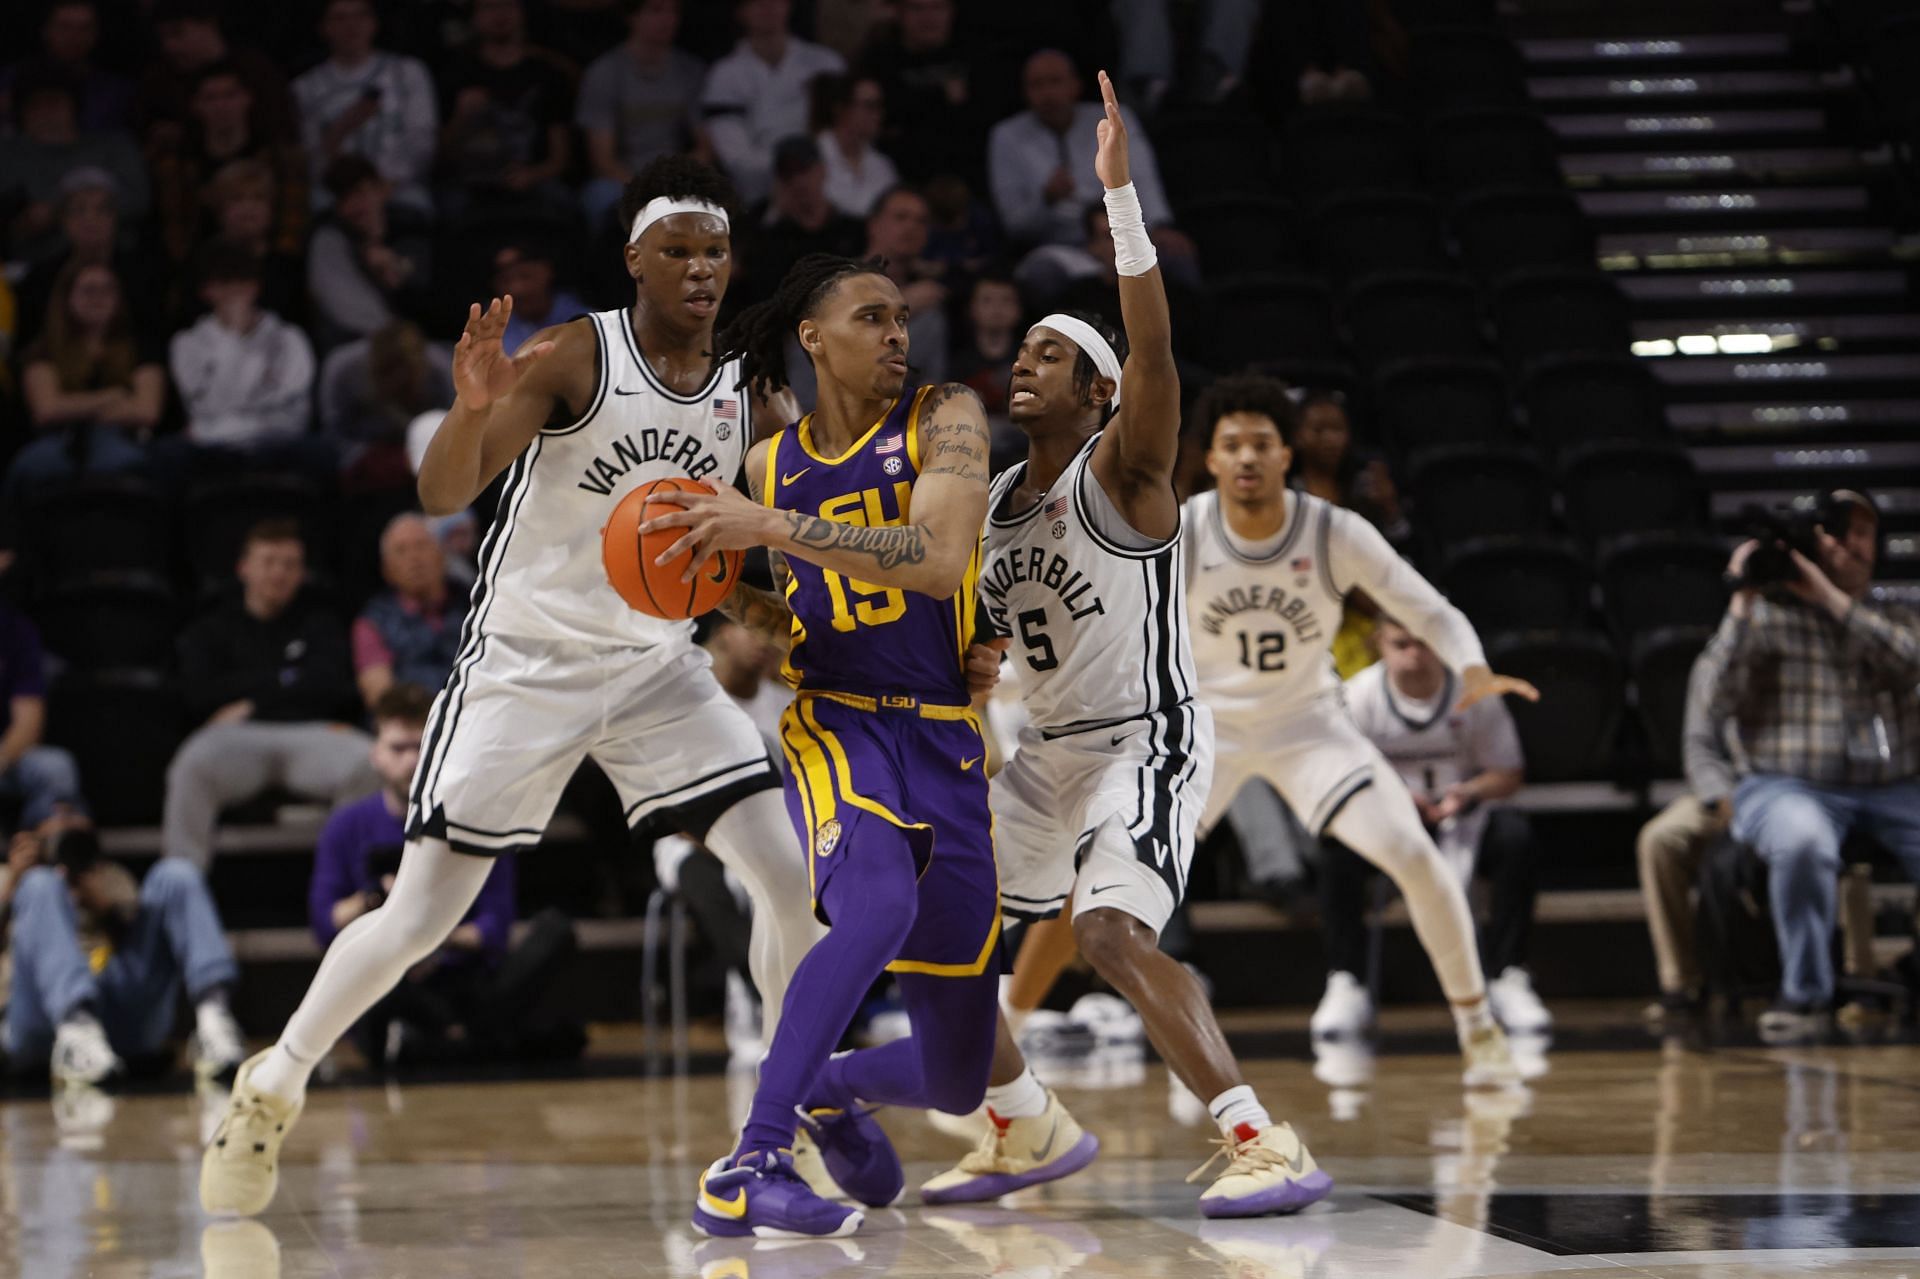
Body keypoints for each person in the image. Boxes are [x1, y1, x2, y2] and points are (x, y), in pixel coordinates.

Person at [199, 156, 824, 1220]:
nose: (700, 269)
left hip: (656, 666)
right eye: (676, 250)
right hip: (526, 664)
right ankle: (276, 1079)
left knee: (787, 878)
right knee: (418, 916)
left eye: (715, 251)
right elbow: (445, 489)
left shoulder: (749, 383)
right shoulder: (578, 353)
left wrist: (778, 614)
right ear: (634, 260)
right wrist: (469, 404)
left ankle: (780, 1127)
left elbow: (764, 541)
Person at [919, 72, 1329, 1219]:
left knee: (1103, 929)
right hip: (1045, 753)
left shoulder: (1128, 469)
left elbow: (1154, 348)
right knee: (926, 919)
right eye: (1025, 353)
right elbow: (982, 642)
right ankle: (1017, 1126)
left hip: (1145, 746)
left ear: (1098, 394)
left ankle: (1264, 1138)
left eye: (1051, 356)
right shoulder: (995, 502)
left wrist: (1120, 203)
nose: (1024, 365)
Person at [636, 245, 999, 1238]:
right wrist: (710, 582)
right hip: (838, 723)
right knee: (875, 904)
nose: (896, 334)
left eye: (901, 318)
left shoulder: (945, 416)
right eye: (872, 318)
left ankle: (831, 1085)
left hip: (947, 740)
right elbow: (790, 612)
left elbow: (933, 559)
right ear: (812, 339)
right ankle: (751, 1157)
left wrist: (768, 526)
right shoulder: (768, 462)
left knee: (963, 1077)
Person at [1178, 374, 1536, 1086]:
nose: (1247, 457)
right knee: (1122, 880)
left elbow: (1427, 608)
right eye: (1231, 445)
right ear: (1211, 459)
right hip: (1208, 728)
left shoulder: (1332, 528)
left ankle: (1478, 1027)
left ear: (1288, 454)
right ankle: (1056, 1030)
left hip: (1309, 724)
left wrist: (1471, 664)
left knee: (1413, 853)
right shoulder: (1183, 529)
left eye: (1261, 443)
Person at [1698, 489, 1920, 1042]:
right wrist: (1741, 596)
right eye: (1835, 531)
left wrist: (1828, 598)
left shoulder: (1895, 617)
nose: (1849, 543)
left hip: (1892, 787)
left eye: (1862, 531)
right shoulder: (1768, 615)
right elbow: (1716, 700)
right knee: (1802, 843)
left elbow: (1909, 662)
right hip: (1787, 785)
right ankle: (1806, 996)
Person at [310, 684, 581, 1067]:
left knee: (555, 932)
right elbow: (324, 924)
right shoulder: (345, 826)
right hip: (390, 977)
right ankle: (471, 1040)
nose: (410, 760)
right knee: (365, 975)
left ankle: (443, 1038)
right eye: (398, 748)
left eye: (420, 746)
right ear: (376, 755)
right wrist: (376, 903)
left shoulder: (476, 821)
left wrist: (431, 935)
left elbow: (495, 928)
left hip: (461, 976)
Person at [1333, 617, 1548, 1036]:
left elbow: (1508, 772)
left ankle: (1508, 975)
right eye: (1401, 643)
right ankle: (1347, 981)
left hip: (1461, 816)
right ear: (1380, 643)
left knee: (1516, 839)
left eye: (1423, 643)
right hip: (1388, 820)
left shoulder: (1473, 692)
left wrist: (1468, 792)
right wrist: (1392, 799)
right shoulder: (1358, 697)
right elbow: (1339, 773)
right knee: (1335, 848)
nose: (1414, 653)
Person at [165, 520, 376, 872]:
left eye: (290, 564)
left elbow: (333, 689)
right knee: (190, 765)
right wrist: (287, 682)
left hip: (311, 734)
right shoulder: (211, 627)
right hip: (235, 740)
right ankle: (182, 890)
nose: (279, 573)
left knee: (371, 762)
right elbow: (197, 695)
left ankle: (344, 889)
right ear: (244, 568)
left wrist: (253, 702)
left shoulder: (320, 623)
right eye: (269, 562)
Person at [1, 811, 246, 1088]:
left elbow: (142, 957)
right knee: (40, 885)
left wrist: (103, 908)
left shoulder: (109, 877)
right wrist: (13, 889)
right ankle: (75, 1028)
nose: (64, 846)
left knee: (176, 873)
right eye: (55, 837)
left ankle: (214, 1019)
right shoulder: (14, 877)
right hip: (35, 1019)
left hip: (114, 1020)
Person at [987, 51, 1180, 254]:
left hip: (1121, 234)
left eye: (1055, 81)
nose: (1047, 94)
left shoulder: (1112, 117)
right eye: (1036, 85)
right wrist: (1046, 199)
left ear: (1075, 85)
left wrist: (1160, 226)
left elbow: (1143, 179)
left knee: (1173, 252)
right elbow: (1014, 225)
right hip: (1058, 247)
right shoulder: (1007, 136)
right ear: (1025, 92)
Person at [163, 239, 324, 480]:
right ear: (207, 291)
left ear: (256, 287)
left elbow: (292, 414)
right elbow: (208, 406)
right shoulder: (187, 344)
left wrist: (218, 426)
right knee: (169, 454)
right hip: (214, 450)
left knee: (320, 451)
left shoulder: (289, 338)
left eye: (243, 282)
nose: (235, 292)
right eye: (225, 284)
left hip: (275, 443)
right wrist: (233, 337)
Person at [1636, 649, 1738, 1022]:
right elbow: (1698, 747)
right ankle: (1680, 983)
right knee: (1660, 839)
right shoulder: (1717, 658)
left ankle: (1856, 975)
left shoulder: (1815, 645)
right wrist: (1721, 797)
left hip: (1791, 787)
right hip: (1722, 792)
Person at [7, 261, 164, 504]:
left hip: (124, 442)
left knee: (128, 460)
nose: (98, 298)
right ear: (67, 297)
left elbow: (146, 411)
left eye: (107, 290)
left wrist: (72, 408)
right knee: (31, 465)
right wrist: (114, 396)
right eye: (89, 290)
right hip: (57, 444)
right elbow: (46, 410)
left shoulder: (142, 349)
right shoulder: (42, 352)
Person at [147, 62, 309, 268]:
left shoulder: (282, 160)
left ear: (247, 98)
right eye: (211, 98)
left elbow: (291, 231)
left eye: (230, 95)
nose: (221, 105)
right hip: (200, 271)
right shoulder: (177, 165)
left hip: (273, 269)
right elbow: (175, 233)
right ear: (196, 104)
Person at [291, 0, 438, 213]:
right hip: (335, 196)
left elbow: (422, 142)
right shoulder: (305, 88)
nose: (352, 25)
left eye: (361, 16)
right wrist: (342, 127)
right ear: (324, 27)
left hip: (399, 191)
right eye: (340, 18)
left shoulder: (407, 72)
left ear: (374, 23)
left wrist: (382, 186)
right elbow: (310, 161)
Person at [576, 0, 708, 231]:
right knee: (599, 197)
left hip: (677, 177)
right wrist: (646, 188)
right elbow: (602, 159)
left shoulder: (691, 70)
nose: (668, 20)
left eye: (673, 11)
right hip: (622, 179)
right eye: (656, 10)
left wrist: (676, 180)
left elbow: (705, 146)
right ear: (632, 17)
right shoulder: (604, 73)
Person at [435, 0, 575, 217]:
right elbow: (440, 155)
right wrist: (461, 118)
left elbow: (560, 158)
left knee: (562, 204)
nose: (500, 14)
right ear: (474, 17)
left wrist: (532, 175)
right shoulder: (455, 73)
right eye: (489, 7)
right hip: (469, 182)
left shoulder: (548, 74)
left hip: (534, 179)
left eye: (508, 5)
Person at [0, 66, 148, 269]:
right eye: (35, 106)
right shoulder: (8, 156)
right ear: (21, 112)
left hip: (116, 262)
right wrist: (21, 225)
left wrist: (64, 209)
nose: (46, 113)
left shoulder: (112, 147)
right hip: (35, 266)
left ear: (74, 106)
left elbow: (138, 200)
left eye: (54, 103)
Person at [700, 0, 845, 204]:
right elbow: (738, 160)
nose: (768, 6)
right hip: (761, 197)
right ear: (741, 11)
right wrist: (796, 170)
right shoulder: (723, 76)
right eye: (756, 2)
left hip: (834, 188)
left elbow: (846, 136)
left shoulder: (826, 64)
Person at [306, 156, 431, 351]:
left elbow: (428, 296)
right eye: (345, 198)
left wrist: (393, 268)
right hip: (359, 349)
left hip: (418, 346)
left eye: (361, 192)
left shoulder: (411, 229)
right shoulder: (331, 240)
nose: (355, 205)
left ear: (381, 190)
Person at [137, 0, 296, 147]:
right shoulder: (159, 83)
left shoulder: (256, 70)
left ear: (209, 24)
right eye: (163, 38)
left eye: (177, 32)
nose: (169, 46)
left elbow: (280, 126)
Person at [353, 514, 471, 709]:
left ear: (442, 556)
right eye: (401, 551)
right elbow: (382, 698)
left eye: (422, 546)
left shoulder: (475, 604)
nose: (414, 558)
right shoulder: (372, 622)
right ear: (386, 570)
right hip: (411, 723)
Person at [741, 135, 865, 303]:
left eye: (804, 170)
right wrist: (776, 216)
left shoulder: (851, 228)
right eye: (788, 174)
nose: (798, 181)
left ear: (822, 170)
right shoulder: (766, 229)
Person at [0, 598, 87, 831]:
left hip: (5, 759)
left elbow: (28, 723)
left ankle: (45, 855)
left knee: (55, 767)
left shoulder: (13, 628)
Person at [0, 0, 132, 136]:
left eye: (85, 28)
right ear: (46, 31)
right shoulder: (11, 79)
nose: (74, 37)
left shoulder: (115, 90)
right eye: (65, 27)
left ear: (96, 34)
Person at [861, 185, 947, 384]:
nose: (911, 227)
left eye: (921, 221)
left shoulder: (927, 297)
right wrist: (901, 304)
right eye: (901, 217)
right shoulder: (836, 280)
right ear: (874, 225)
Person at [811, 72, 897, 220]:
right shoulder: (811, 158)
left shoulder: (883, 166)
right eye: (870, 106)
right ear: (840, 109)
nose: (878, 114)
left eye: (880, 106)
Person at [493, 242, 587, 355]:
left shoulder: (586, 321)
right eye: (506, 280)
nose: (517, 289)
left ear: (547, 271)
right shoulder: (492, 327)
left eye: (525, 276)